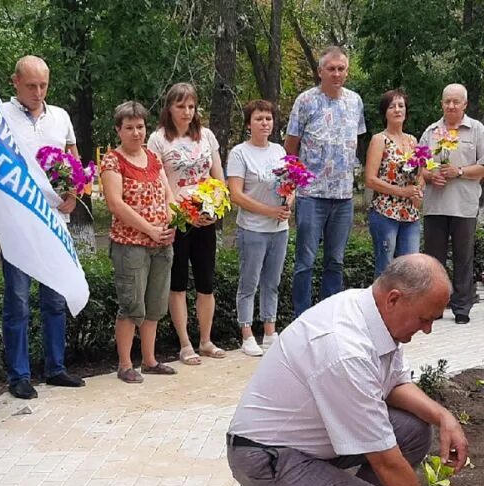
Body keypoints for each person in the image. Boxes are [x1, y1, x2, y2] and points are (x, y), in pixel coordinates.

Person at [227, 254, 468, 486]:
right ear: (394, 299)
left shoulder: (371, 312)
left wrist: (444, 417)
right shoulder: (344, 348)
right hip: (266, 457)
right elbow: (386, 461)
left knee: (414, 430)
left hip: (306, 444)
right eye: (424, 319)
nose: (427, 329)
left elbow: (393, 384)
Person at [1, 55, 84, 399]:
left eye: (43, 85)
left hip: (55, 220)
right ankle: (19, 375)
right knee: (18, 301)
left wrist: (74, 193)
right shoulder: (0, 115)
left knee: (55, 297)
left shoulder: (60, 116)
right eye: (31, 85)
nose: (38, 92)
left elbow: (74, 159)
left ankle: (56, 367)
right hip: (18, 222)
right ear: (15, 82)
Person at [148, 83, 227, 365]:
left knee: (206, 282)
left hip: (205, 218)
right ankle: (185, 343)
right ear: (169, 108)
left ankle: (206, 340)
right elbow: (158, 183)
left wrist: (215, 209)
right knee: (178, 282)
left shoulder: (206, 136)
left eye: (191, 106)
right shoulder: (158, 140)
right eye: (180, 106)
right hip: (177, 220)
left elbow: (218, 178)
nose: (187, 112)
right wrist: (181, 213)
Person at [285, 46, 366, 318]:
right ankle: (302, 317)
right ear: (320, 71)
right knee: (305, 262)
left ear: (347, 71)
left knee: (335, 261)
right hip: (311, 195)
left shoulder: (355, 101)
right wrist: (293, 184)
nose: (336, 74)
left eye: (341, 69)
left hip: (343, 196)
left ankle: (329, 318)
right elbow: (291, 146)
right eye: (331, 69)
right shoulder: (306, 101)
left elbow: (355, 141)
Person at [99, 101, 177, 383]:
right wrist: (150, 230)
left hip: (161, 244)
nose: (136, 133)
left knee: (155, 305)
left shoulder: (153, 157)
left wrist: (171, 221)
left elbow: (167, 194)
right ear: (118, 130)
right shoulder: (112, 161)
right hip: (130, 245)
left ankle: (150, 360)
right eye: (129, 127)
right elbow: (115, 204)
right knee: (132, 305)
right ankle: (124, 364)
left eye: (140, 126)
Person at [419, 84, 484, 324]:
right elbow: (419, 166)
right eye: (447, 101)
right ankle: (435, 306)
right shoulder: (431, 132)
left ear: (465, 104)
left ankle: (462, 308)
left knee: (463, 258)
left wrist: (458, 171)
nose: (451, 106)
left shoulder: (476, 130)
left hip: (464, 206)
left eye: (456, 101)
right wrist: (431, 176)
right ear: (441, 103)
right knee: (433, 261)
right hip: (435, 206)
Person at [226, 100, 290, 357]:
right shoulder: (239, 153)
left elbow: (290, 184)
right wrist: (268, 211)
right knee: (249, 282)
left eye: (268, 118)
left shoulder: (279, 151)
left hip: (279, 228)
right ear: (248, 123)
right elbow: (236, 195)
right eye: (259, 119)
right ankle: (247, 333)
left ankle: (269, 331)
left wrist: (288, 202)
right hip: (252, 228)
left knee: (272, 282)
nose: (265, 123)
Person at [364, 89, 423, 277]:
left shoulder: (413, 140)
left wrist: (418, 190)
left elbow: (421, 172)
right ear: (385, 112)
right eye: (392, 106)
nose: (397, 110)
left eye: (401, 106)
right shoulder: (379, 140)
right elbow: (370, 179)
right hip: (385, 212)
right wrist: (401, 191)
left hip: (410, 213)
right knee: (386, 268)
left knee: (410, 267)